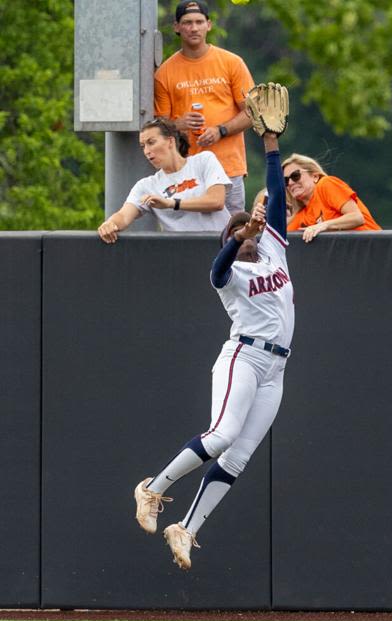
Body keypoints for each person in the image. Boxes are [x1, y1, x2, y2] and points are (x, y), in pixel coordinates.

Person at [132, 83, 291, 571]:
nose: (252, 230)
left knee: (238, 457)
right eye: (241, 228)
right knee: (221, 435)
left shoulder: (274, 247)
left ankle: (187, 529)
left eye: (254, 227)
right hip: (243, 354)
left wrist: (270, 144)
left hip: (277, 368)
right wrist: (235, 236)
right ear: (230, 235)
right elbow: (217, 268)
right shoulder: (229, 270)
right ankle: (152, 489)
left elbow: (278, 192)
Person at [154, 0, 254, 213]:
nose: (194, 28)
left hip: (228, 168)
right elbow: (157, 129)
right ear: (176, 27)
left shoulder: (232, 62)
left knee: (234, 233)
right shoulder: (165, 72)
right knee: (190, 236)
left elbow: (254, 113)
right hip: (185, 171)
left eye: (199, 22)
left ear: (209, 25)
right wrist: (178, 124)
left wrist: (221, 130)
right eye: (187, 22)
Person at [98, 118, 229, 242]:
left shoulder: (203, 160)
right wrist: (110, 224)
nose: (146, 151)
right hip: (183, 253)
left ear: (170, 141)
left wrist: (171, 203)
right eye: (143, 146)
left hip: (221, 246)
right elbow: (123, 216)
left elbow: (216, 201)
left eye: (151, 142)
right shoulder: (146, 185)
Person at [282, 155, 381, 242]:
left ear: (315, 176)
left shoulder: (326, 184)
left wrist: (324, 225)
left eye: (295, 176)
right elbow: (281, 237)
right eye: (285, 180)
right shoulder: (302, 214)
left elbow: (357, 217)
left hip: (375, 247)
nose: (290, 183)